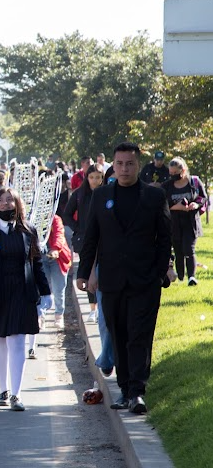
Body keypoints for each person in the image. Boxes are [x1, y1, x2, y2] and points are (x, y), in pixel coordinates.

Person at [77, 142, 172, 415]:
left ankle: (137, 391)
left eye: (129, 163)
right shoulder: (101, 196)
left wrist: (159, 272)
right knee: (118, 335)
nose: (124, 168)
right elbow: (91, 237)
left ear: (138, 165)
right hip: (112, 280)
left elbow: (165, 238)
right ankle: (124, 389)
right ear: (113, 165)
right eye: (119, 164)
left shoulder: (154, 196)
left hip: (145, 280)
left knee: (139, 335)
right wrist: (84, 272)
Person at [0, 187, 51, 411]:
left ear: (17, 204)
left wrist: (46, 293)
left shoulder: (28, 231)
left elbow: (36, 264)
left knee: (17, 341)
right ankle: (3, 390)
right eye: (1, 200)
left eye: (10, 200)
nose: (6, 204)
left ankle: (17, 394)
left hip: (21, 291)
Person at [63, 164, 104, 321]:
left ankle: (101, 305)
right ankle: (93, 308)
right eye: (91, 177)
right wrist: (78, 228)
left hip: (104, 238)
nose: (94, 180)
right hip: (85, 240)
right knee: (88, 270)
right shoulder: (79, 194)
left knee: (101, 271)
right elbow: (67, 214)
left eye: (98, 177)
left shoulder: (107, 192)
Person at [162, 157, 207, 286]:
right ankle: (181, 276)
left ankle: (191, 277)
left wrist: (195, 204)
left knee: (189, 249)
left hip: (191, 222)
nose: (173, 175)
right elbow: (162, 204)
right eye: (171, 173)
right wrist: (177, 207)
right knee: (178, 250)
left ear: (183, 170)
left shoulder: (194, 182)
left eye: (175, 173)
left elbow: (202, 197)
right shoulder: (167, 186)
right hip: (174, 223)